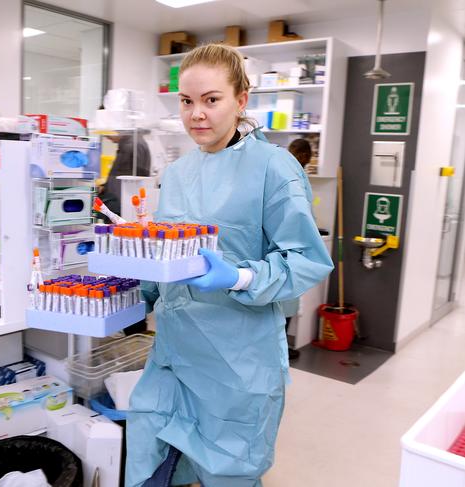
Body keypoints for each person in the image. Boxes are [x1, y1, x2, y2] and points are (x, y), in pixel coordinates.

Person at [125, 44, 333, 487]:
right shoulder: (178, 173)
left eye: (211, 100)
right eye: (186, 101)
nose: (196, 114)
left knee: (228, 470)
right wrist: (127, 284)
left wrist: (239, 276)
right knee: (148, 449)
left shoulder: (274, 169)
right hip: (173, 353)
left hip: (237, 361)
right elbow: (166, 258)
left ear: (241, 101)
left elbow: (308, 261)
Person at [281, 137, 313, 361]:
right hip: (289, 247)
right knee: (288, 300)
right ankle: (281, 348)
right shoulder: (295, 178)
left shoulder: (283, 171)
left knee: (285, 300)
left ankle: (280, 346)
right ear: (303, 157)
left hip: (285, 246)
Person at [99, 131, 151, 217]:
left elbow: (139, 177)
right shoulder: (128, 144)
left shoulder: (133, 145)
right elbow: (121, 172)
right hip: (119, 203)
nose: (106, 137)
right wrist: (105, 186)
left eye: (108, 133)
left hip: (123, 205)